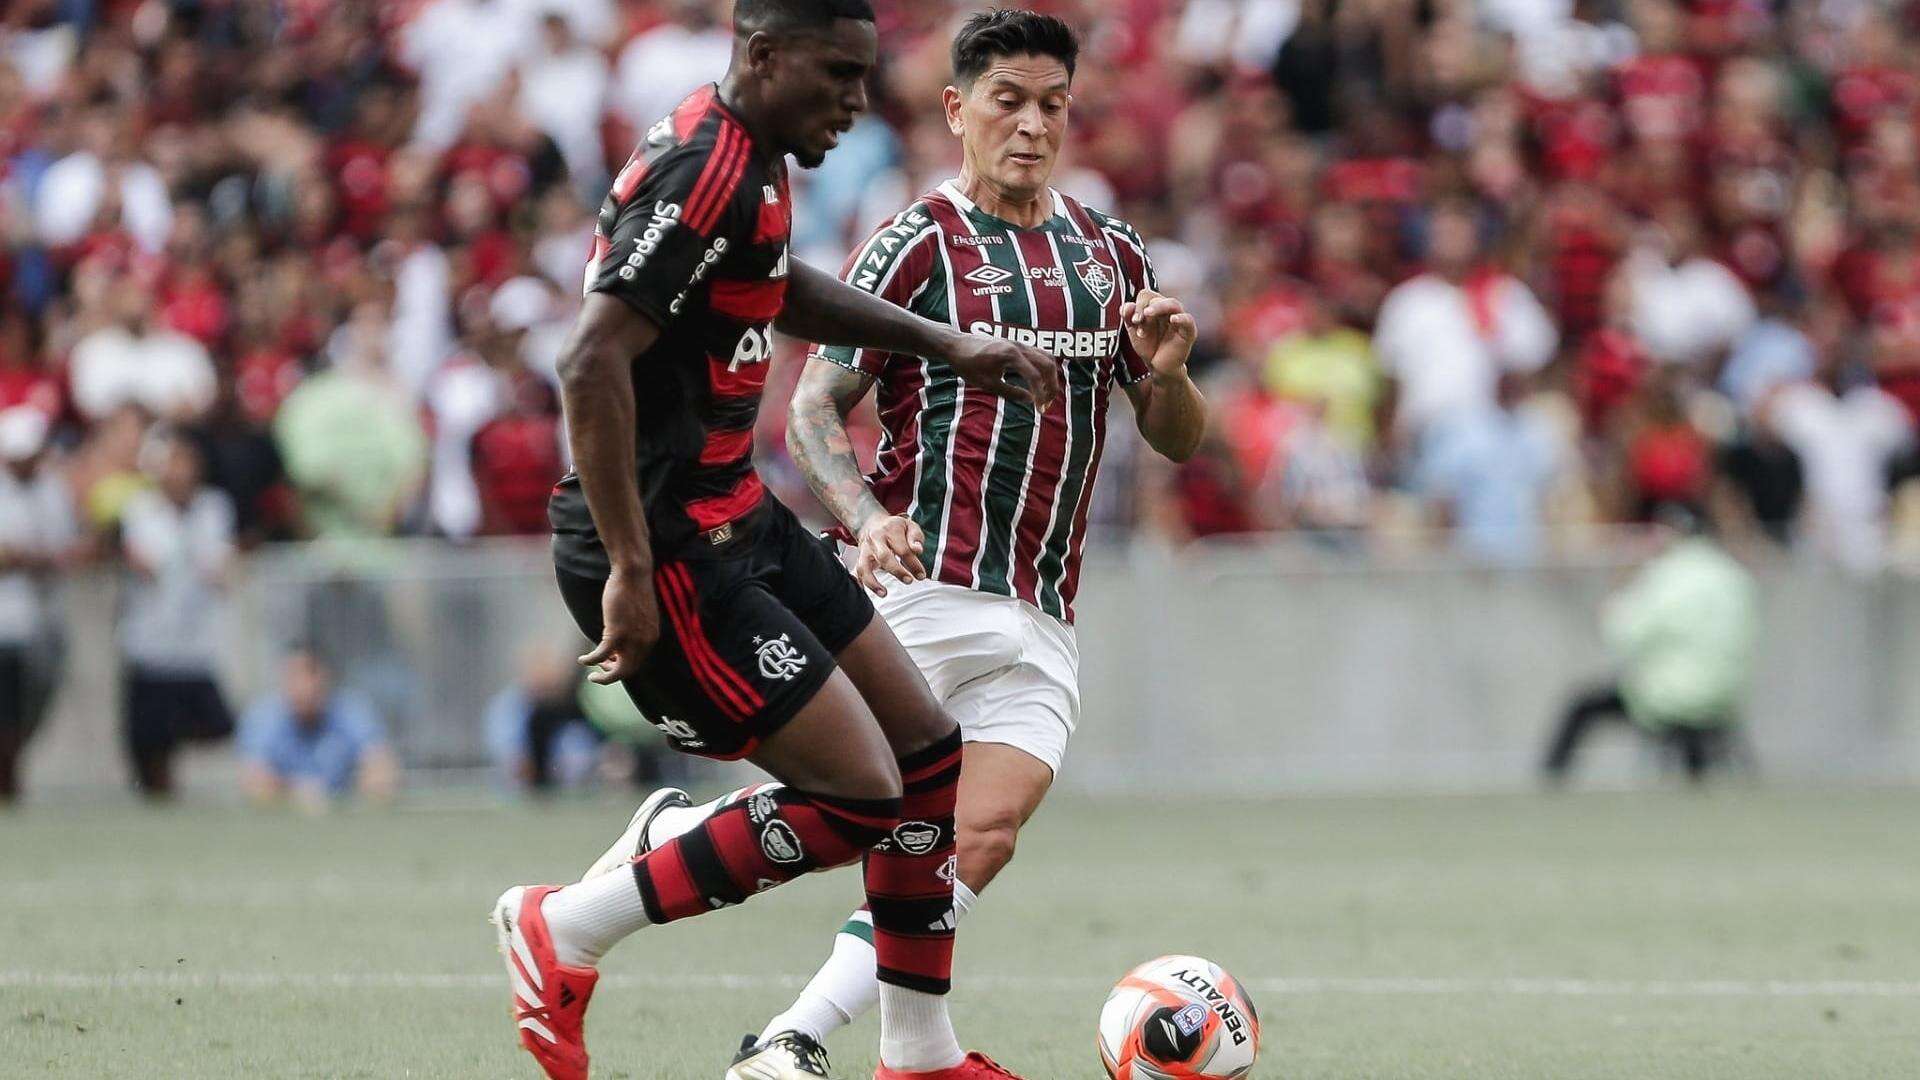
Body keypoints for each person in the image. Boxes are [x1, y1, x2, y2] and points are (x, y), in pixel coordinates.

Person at [585, 12, 1208, 1079]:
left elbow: (1173, 437)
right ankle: (678, 883)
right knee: (857, 807)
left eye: (1051, 104)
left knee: (979, 839)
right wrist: (864, 518)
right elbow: (815, 407)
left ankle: (801, 1039)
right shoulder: (917, 240)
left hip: (1045, 610)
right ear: (958, 110)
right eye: (1007, 101)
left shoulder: (1110, 255)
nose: (1031, 125)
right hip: (924, 588)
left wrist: (1174, 373)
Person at [490, 3, 1062, 1080]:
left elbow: (772, 284)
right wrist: (625, 565)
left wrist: (948, 345)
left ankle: (920, 1054)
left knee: (927, 754)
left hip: (733, 513)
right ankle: (567, 930)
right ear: (761, 55)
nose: (856, 101)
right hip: (664, 548)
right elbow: (587, 362)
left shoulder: (757, 154)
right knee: (861, 797)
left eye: (864, 76)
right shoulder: (705, 165)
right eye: (837, 76)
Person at [1542, 512, 1759, 784]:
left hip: (1666, 698)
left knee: (1582, 707)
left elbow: (1620, 632)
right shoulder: (1734, 576)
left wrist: (1624, 577)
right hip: (1724, 697)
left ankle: (1549, 783)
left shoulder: (1667, 575)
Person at [118, 431, 237, 798]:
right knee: (149, 741)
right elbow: (145, 563)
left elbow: (220, 567)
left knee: (218, 725)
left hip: (195, 645)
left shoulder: (214, 507)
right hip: (150, 642)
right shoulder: (140, 509)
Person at [0, 406, 78, 805]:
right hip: (4, 624)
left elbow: (65, 549)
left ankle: (11, 775)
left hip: (42, 623)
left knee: (31, 710)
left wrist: (28, 558)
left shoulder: (53, 490)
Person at [238, 646, 398, 811]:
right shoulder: (263, 717)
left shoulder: (352, 710)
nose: (303, 685)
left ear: (326, 677)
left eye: (311, 673)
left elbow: (382, 772)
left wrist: (354, 796)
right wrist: (296, 791)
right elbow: (254, 783)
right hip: (282, 821)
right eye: (294, 675)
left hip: (342, 820)